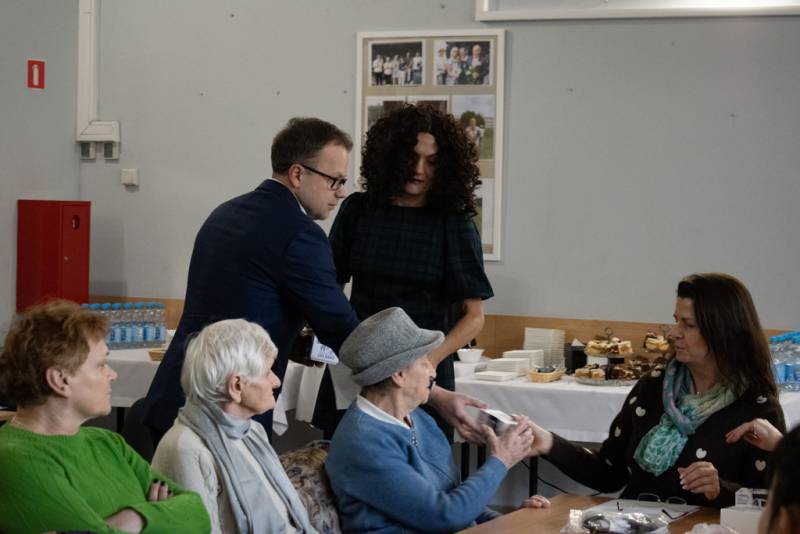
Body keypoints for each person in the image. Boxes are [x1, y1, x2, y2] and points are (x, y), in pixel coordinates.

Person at [143, 117, 360, 442]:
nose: (341, 192)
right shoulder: (300, 235)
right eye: (335, 181)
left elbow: (237, 305)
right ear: (297, 174)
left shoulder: (224, 213)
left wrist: (293, 342)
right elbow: (342, 329)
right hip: (228, 412)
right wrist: (407, 376)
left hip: (176, 395)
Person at [523, 273, 786, 508]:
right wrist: (548, 442)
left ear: (723, 332)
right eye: (676, 321)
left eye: (689, 325)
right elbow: (609, 473)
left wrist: (721, 490)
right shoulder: (654, 386)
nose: (674, 333)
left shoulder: (756, 407)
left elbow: (768, 502)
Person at [316, 104, 492, 440]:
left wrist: (426, 362)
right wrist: (335, 340)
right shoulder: (359, 210)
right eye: (411, 157)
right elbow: (330, 286)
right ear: (391, 156)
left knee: (419, 462)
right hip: (358, 364)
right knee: (343, 460)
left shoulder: (453, 224)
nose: (419, 170)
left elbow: (474, 316)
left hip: (423, 372)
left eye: (432, 161)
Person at [0, 300, 209, 534]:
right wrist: (160, 515)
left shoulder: (109, 443)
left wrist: (136, 518)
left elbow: (198, 514)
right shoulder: (14, 460)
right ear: (60, 380)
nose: (112, 374)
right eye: (101, 365)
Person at [325, 308, 542, 533]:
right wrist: (501, 459)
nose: (433, 372)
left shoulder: (418, 418)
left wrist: (512, 520)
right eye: (424, 362)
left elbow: (453, 498)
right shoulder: (364, 443)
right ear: (399, 375)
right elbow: (445, 515)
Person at [152, 319, 316, 534]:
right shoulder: (186, 449)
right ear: (237, 386)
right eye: (267, 372)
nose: (276, 381)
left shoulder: (252, 430)